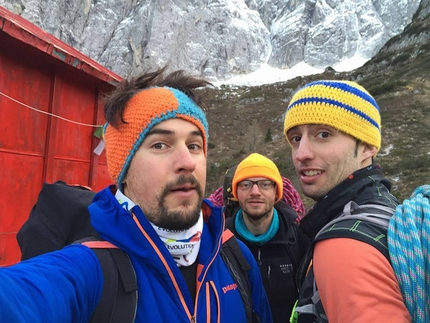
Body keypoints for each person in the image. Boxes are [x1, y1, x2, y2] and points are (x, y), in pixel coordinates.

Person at [0, 67, 273, 322]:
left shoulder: (234, 256)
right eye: (160, 144)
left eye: (194, 145)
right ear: (124, 171)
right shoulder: (91, 269)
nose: (186, 161)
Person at [283, 80, 411, 322]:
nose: (301, 153)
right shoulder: (388, 210)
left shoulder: (343, 244)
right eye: (296, 138)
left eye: (323, 134)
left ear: (367, 146)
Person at [224, 153, 310, 323]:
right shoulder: (220, 242)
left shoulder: (300, 240)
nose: (255, 192)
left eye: (264, 184)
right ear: (236, 192)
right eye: (246, 184)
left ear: (276, 192)